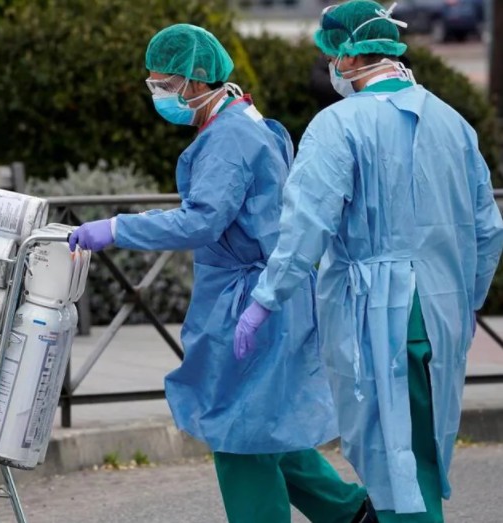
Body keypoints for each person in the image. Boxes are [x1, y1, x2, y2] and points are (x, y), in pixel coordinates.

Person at [68, 23, 373, 523]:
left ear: (195, 80)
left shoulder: (228, 137)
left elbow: (202, 220)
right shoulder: (245, 119)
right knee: (266, 423)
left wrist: (118, 228)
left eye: (165, 83)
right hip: (267, 291)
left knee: (238, 433)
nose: (158, 93)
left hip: (249, 300)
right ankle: (352, 513)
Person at [235, 1, 503, 521]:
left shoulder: (337, 125)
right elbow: (488, 229)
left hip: (378, 313)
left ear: (352, 57)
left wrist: (265, 300)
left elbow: (305, 227)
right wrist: (468, 301)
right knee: (422, 450)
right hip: (441, 310)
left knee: (391, 458)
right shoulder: (452, 122)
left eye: (332, 55)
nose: (331, 66)